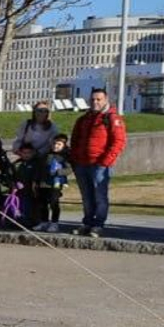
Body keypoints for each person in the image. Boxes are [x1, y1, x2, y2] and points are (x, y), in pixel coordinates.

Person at [68, 86, 126, 237]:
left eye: (99, 99)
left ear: (106, 100)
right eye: (93, 99)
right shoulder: (83, 119)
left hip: (99, 165)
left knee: (100, 196)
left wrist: (105, 162)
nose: (95, 102)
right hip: (81, 164)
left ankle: (98, 224)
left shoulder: (112, 118)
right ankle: (87, 222)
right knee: (86, 197)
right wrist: (74, 159)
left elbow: (118, 141)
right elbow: (74, 140)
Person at [36, 133, 71, 232]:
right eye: (54, 143)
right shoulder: (46, 155)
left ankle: (54, 223)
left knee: (53, 202)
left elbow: (69, 169)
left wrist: (59, 172)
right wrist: (36, 180)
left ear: (64, 145)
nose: (55, 146)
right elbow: (39, 168)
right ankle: (44, 222)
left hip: (56, 183)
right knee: (42, 203)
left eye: (59, 144)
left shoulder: (64, 157)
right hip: (43, 183)